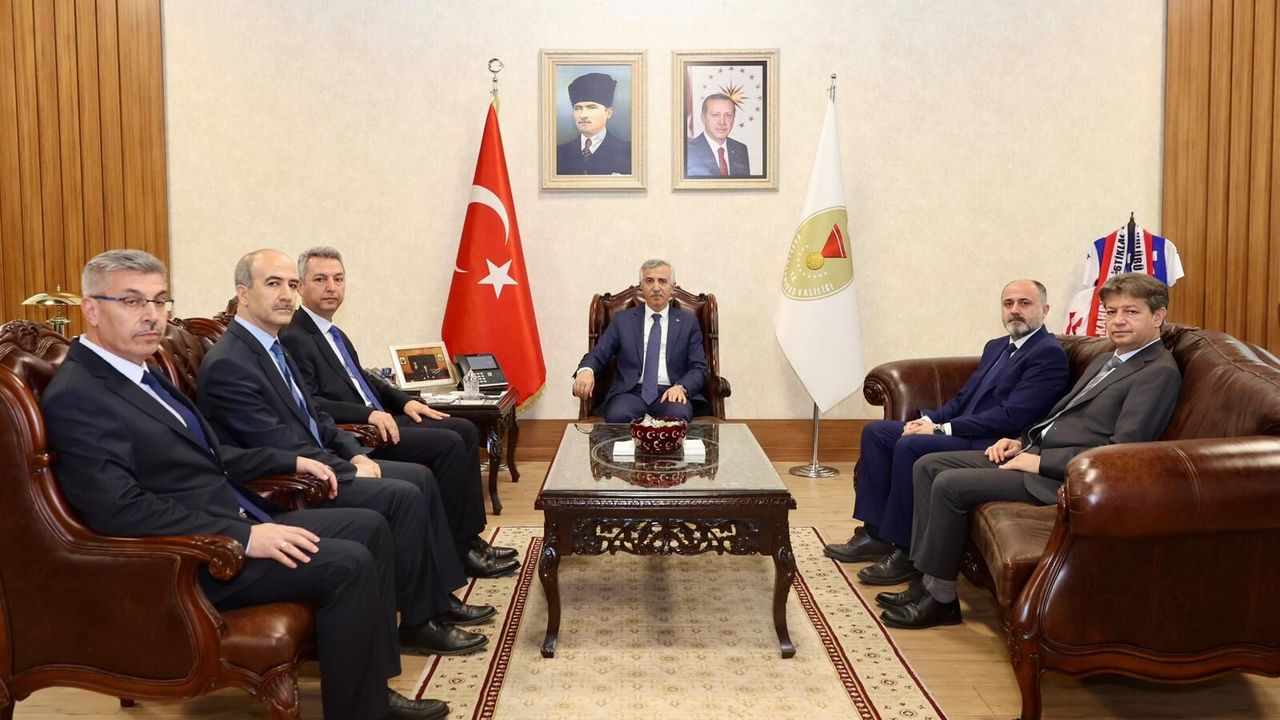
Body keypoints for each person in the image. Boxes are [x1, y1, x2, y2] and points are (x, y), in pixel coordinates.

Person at [40, 250, 456, 720]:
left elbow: (211, 454)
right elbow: (120, 510)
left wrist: (285, 464)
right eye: (133, 301)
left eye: (159, 301)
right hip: (188, 560)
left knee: (371, 527)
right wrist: (245, 536)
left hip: (232, 514)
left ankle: (370, 690)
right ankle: (363, 711)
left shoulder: (137, 370)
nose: (152, 315)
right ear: (91, 309)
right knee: (349, 562)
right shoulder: (80, 393)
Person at [196, 249, 501, 643]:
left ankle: (435, 599)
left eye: (290, 285)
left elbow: (315, 418)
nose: (287, 294)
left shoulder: (272, 346)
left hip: (323, 462)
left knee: (420, 480)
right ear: (243, 292)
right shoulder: (231, 362)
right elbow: (279, 443)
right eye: (274, 284)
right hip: (289, 484)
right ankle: (421, 621)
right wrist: (347, 467)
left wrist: (353, 452)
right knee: (406, 492)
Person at [881, 272, 1182, 630]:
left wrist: (1039, 462)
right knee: (927, 465)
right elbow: (1058, 419)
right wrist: (1021, 442)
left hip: (1061, 477)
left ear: (1158, 316)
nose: (1118, 321)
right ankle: (926, 578)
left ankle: (941, 599)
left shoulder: (1158, 373)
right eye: (1112, 311)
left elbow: (1120, 454)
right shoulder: (1108, 360)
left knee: (948, 484)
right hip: (1033, 451)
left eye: (1131, 312)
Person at [280, 246, 518, 577]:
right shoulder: (295, 335)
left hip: (383, 418)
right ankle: (460, 549)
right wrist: (368, 416)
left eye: (338, 279)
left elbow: (363, 378)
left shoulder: (332, 332)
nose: (331, 287)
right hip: (359, 431)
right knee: (450, 443)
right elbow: (312, 402)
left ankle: (467, 539)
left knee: (463, 428)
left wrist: (404, 400)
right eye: (320, 279)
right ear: (301, 286)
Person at [824, 280, 1070, 586]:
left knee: (910, 447)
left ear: (1045, 310)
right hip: (963, 431)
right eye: (1008, 304)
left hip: (995, 443)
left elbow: (1012, 416)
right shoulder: (996, 347)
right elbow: (963, 399)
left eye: (1025, 303)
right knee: (877, 433)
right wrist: (928, 421)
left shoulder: (1047, 354)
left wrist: (941, 429)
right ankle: (875, 535)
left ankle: (906, 551)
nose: (1015, 310)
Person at [572, 259, 708, 423]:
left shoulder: (688, 322)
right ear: (641, 286)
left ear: (672, 287)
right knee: (618, 415)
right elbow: (598, 353)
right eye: (649, 281)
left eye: (662, 281)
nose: (656, 288)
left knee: (677, 415)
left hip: (671, 392)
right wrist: (586, 370)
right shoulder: (622, 320)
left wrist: (682, 387)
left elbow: (699, 368)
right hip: (631, 393)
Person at [555, 72, 631, 175]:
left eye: (591, 107)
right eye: (577, 108)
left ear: (608, 113)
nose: (583, 115)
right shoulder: (558, 153)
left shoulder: (628, 151)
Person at [685, 94, 750, 177]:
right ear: (703, 118)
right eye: (715, 115)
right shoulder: (688, 151)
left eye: (728, 115)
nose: (722, 122)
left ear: (733, 118)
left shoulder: (740, 149)